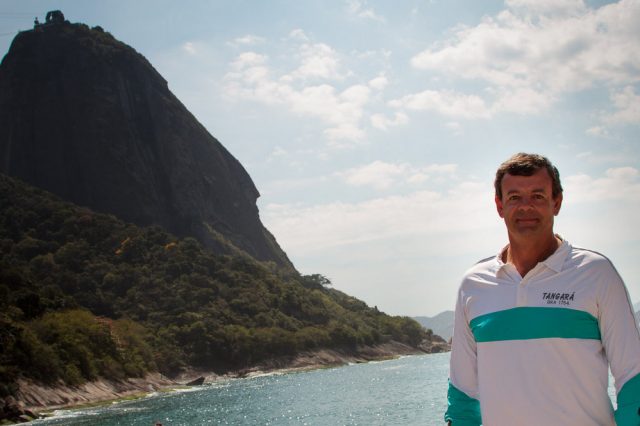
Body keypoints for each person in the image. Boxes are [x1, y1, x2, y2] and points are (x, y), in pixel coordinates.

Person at [444, 153, 640, 425]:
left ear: (556, 202)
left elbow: (633, 380)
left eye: (537, 196)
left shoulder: (596, 273)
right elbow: (462, 397)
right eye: (514, 197)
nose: (526, 206)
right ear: (499, 205)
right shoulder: (473, 284)